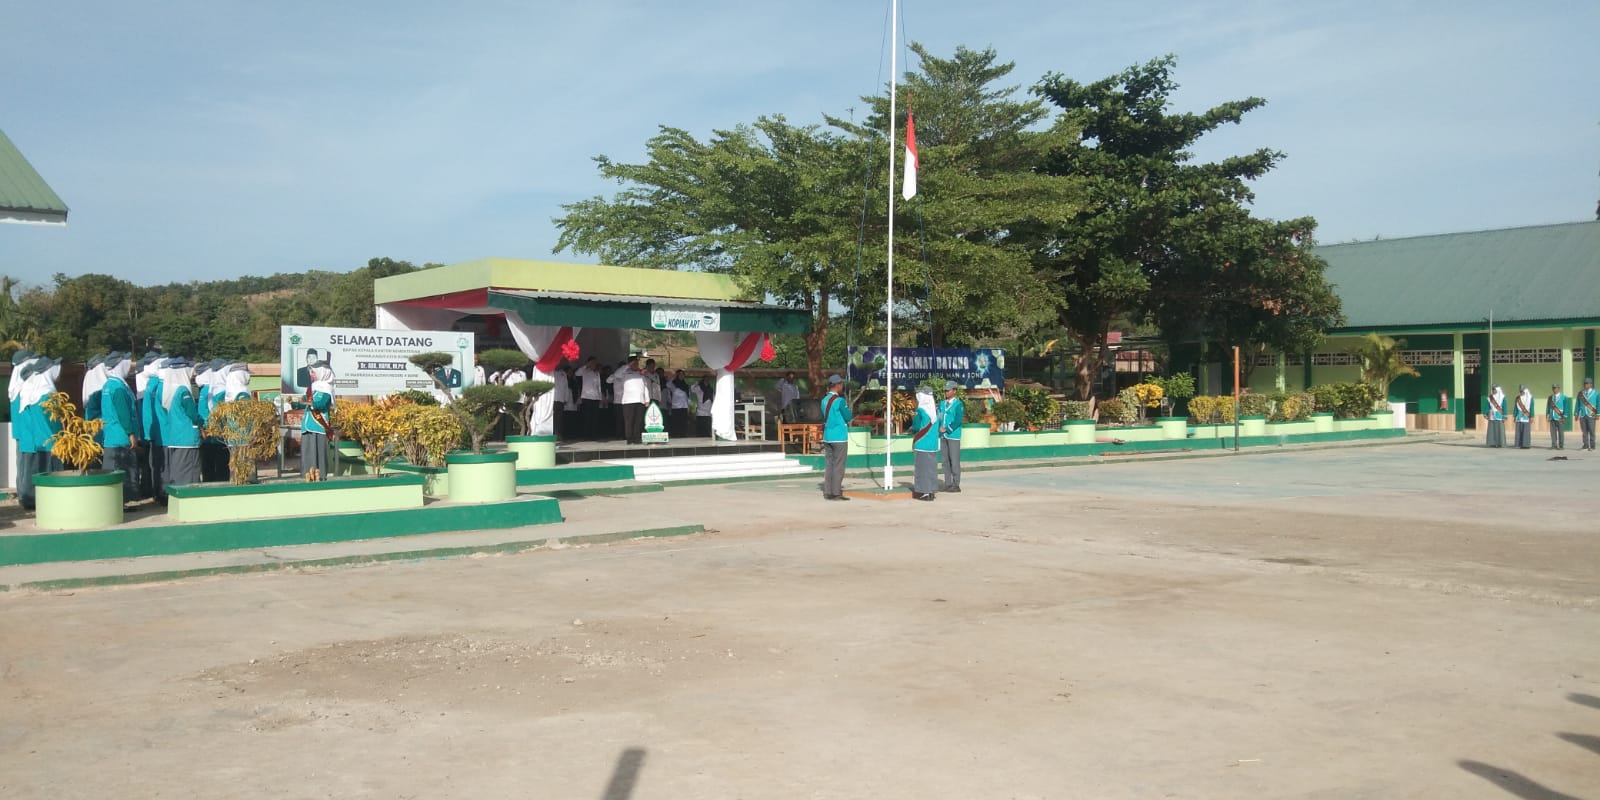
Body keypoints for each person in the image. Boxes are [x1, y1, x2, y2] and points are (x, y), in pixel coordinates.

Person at [13, 356, 64, 512]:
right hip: (49, 442)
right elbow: (53, 422)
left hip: (35, 442)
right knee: (50, 476)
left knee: (33, 474)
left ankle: (31, 502)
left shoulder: (30, 393)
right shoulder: (47, 394)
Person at [98, 353, 141, 506]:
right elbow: (123, 413)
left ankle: (114, 501)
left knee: (112, 469)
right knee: (123, 469)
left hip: (111, 434)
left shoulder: (108, 385)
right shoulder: (118, 388)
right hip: (121, 435)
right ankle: (124, 501)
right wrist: (131, 433)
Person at [160, 358, 203, 488]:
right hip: (187, 439)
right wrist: (202, 424)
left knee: (178, 470)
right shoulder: (183, 391)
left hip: (175, 438)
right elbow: (192, 414)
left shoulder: (170, 391)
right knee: (189, 472)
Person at [293, 361, 336, 480]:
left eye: (313, 372)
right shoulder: (312, 388)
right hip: (307, 426)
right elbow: (304, 403)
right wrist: (295, 404)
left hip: (318, 426)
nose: (311, 375)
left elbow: (321, 404)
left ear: (322, 372)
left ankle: (320, 478)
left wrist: (307, 403)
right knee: (307, 453)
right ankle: (307, 477)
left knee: (319, 453)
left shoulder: (327, 389)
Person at [139, 356, 168, 502]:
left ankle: (156, 492)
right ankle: (162, 494)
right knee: (163, 465)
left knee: (155, 464)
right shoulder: (161, 384)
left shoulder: (150, 383)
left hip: (153, 431)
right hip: (163, 432)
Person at [820, 375, 851, 501]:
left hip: (827, 435)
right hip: (839, 436)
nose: (842, 386)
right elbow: (848, 416)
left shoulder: (824, 400)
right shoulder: (840, 401)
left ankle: (828, 492)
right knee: (838, 465)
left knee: (829, 464)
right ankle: (836, 493)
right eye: (841, 384)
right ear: (837, 385)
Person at [609, 355, 648, 445]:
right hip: (628, 400)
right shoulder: (624, 372)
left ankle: (637, 437)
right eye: (634, 363)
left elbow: (645, 386)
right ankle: (629, 438)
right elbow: (616, 374)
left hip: (640, 400)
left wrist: (647, 399)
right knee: (629, 420)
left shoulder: (640, 373)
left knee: (638, 420)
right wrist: (628, 366)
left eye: (637, 363)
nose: (636, 365)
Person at [911, 387, 939, 501]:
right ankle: (931, 492)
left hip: (922, 444)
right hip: (933, 445)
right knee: (931, 469)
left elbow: (916, 426)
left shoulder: (921, 410)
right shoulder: (935, 411)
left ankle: (925, 493)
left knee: (922, 469)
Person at [938, 380, 964, 493]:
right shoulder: (941, 404)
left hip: (953, 435)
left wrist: (947, 429)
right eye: (945, 390)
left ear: (954, 391)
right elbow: (939, 417)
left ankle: (956, 484)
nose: (946, 392)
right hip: (943, 436)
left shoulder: (958, 404)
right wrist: (939, 427)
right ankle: (947, 483)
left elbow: (958, 420)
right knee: (945, 461)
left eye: (948, 390)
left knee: (954, 460)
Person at [576, 356, 603, 439]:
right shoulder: (584, 371)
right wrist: (587, 365)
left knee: (595, 417)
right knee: (587, 417)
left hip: (596, 397)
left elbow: (599, 386)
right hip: (587, 397)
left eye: (595, 362)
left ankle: (593, 434)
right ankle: (586, 435)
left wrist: (601, 397)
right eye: (592, 362)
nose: (594, 364)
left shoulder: (597, 373)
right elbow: (577, 373)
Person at [551, 361, 573, 440]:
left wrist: (566, 398)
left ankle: (558, 434)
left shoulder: (563, 374)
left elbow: (566, 387)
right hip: (551, 399)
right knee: (551, 418)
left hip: (560, 399)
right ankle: (552, 434)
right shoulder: (550, 372)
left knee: (559, 418)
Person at [667, 370, 691, 438]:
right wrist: (673, 377)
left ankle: (683, 436)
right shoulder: (673, 384)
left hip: (684, 406)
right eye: (680, 374)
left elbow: (688, 397)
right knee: (676, 423)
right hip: (676, 407)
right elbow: (667, 384)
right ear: (677, 375)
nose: (682, 376)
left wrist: (689, 406)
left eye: (683, 374)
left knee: (683, 423)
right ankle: (675, 436)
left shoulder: (686, 385)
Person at [1578, 377, 1597, 451]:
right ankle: (1585, 445)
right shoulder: (1580, 393)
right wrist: (1576, 413)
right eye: (1585, 383)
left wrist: (1598, 414)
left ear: (1591, 384)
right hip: (1582, 414)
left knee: (1592, 430)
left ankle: (1592, 446)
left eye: (1587, 383)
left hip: (1591, 414)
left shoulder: (1596, 393)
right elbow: (1577, 404)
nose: (1585, 385)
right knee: (1584, 431)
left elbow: (1598, 404)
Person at [1547, 383, 1567, 450]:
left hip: (1560, 417)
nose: (1554, 389)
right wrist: (1548, 414)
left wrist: (1564, 416)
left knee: (1561, 432)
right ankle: (1554, 445)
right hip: (1552, 416)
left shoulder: (1564, 397)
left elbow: (1566, 407)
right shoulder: (1550, 397)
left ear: (1559, 389)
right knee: (1552, 432)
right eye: (1553, 388)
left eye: (1555, 388)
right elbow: (1548, 407)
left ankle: (1561, 445)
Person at [1513, 385, 1533, 449]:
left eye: (1522, 391)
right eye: (1520, 391)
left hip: (1526, 416)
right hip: (1518, 417)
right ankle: (1518, 445)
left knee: (1526, 431)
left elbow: (1532, 408)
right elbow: (1515, 408)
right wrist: (1515, 416)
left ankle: (1525, 445)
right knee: (1518, 432)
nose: (1521, 392)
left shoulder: (1530, 398)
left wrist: (1531, 416)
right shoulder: (1517, 398)